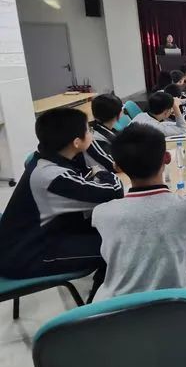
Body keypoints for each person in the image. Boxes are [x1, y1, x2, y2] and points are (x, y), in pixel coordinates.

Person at [0, 108, 123, 296]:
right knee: (119, 246)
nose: (91, 133)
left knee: (115, 232)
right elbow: (114, 192)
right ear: (76, 142)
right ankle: (100, 305)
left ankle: (103, 292)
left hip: (42, 236)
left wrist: (99, 172)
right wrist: (104, 173)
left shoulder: (52, 158)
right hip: (28, 254)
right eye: (88, 130)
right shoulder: (50, 175)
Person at [91, 124, 186, 302]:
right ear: (167, 158)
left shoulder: (102, 213)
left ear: (118, 167)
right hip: (176, 309)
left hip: (114, 313)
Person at [84, 93, 123, 172]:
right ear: (119, 114)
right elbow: (116, 166)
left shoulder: (110, 130)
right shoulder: (94, 138)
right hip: (104, 177)